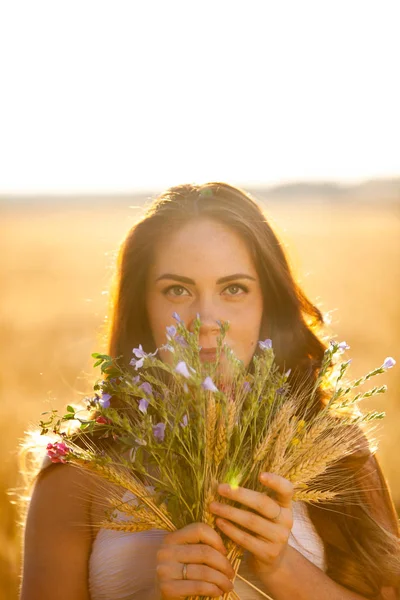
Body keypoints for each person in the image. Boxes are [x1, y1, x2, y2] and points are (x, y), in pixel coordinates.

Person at [19, 182, 400, 600]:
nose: (206, 318)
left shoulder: (336, 451)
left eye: (234, 289)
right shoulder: (77, 472)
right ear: (142, 304)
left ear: (266, 304)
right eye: (177, 290)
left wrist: (284, 570)